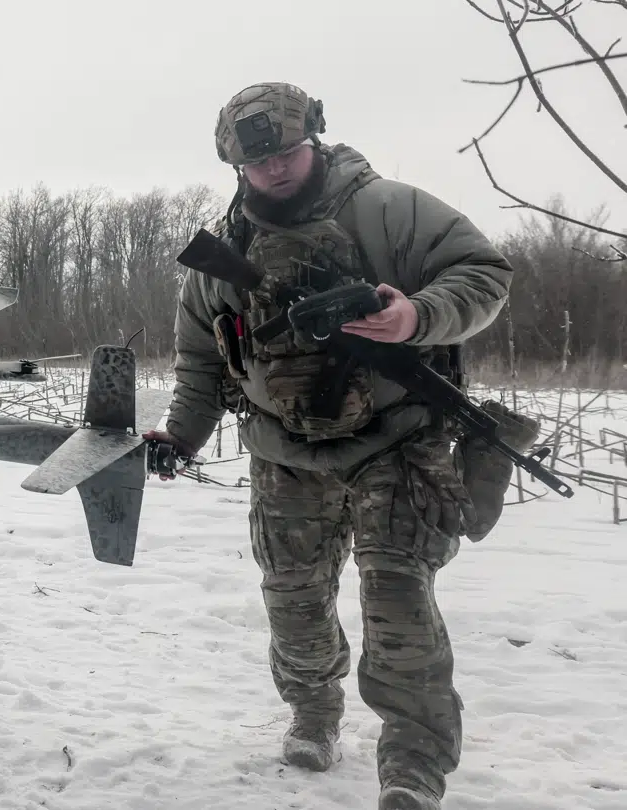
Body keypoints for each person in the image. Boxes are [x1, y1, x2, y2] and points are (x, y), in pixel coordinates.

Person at [151, 82, 536, 810]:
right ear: (234, 166)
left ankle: (414, 768)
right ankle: (313, 712)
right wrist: (180, 436)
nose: (275, 170)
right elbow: (200, 364)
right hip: (282, 450)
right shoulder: (221, 253)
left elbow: (486, 276)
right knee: (293, 605)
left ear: (316, 139)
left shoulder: (390, 209)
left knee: (399, 605)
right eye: (256, 163)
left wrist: (419, 315)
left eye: (288, 152)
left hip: (394, 441)